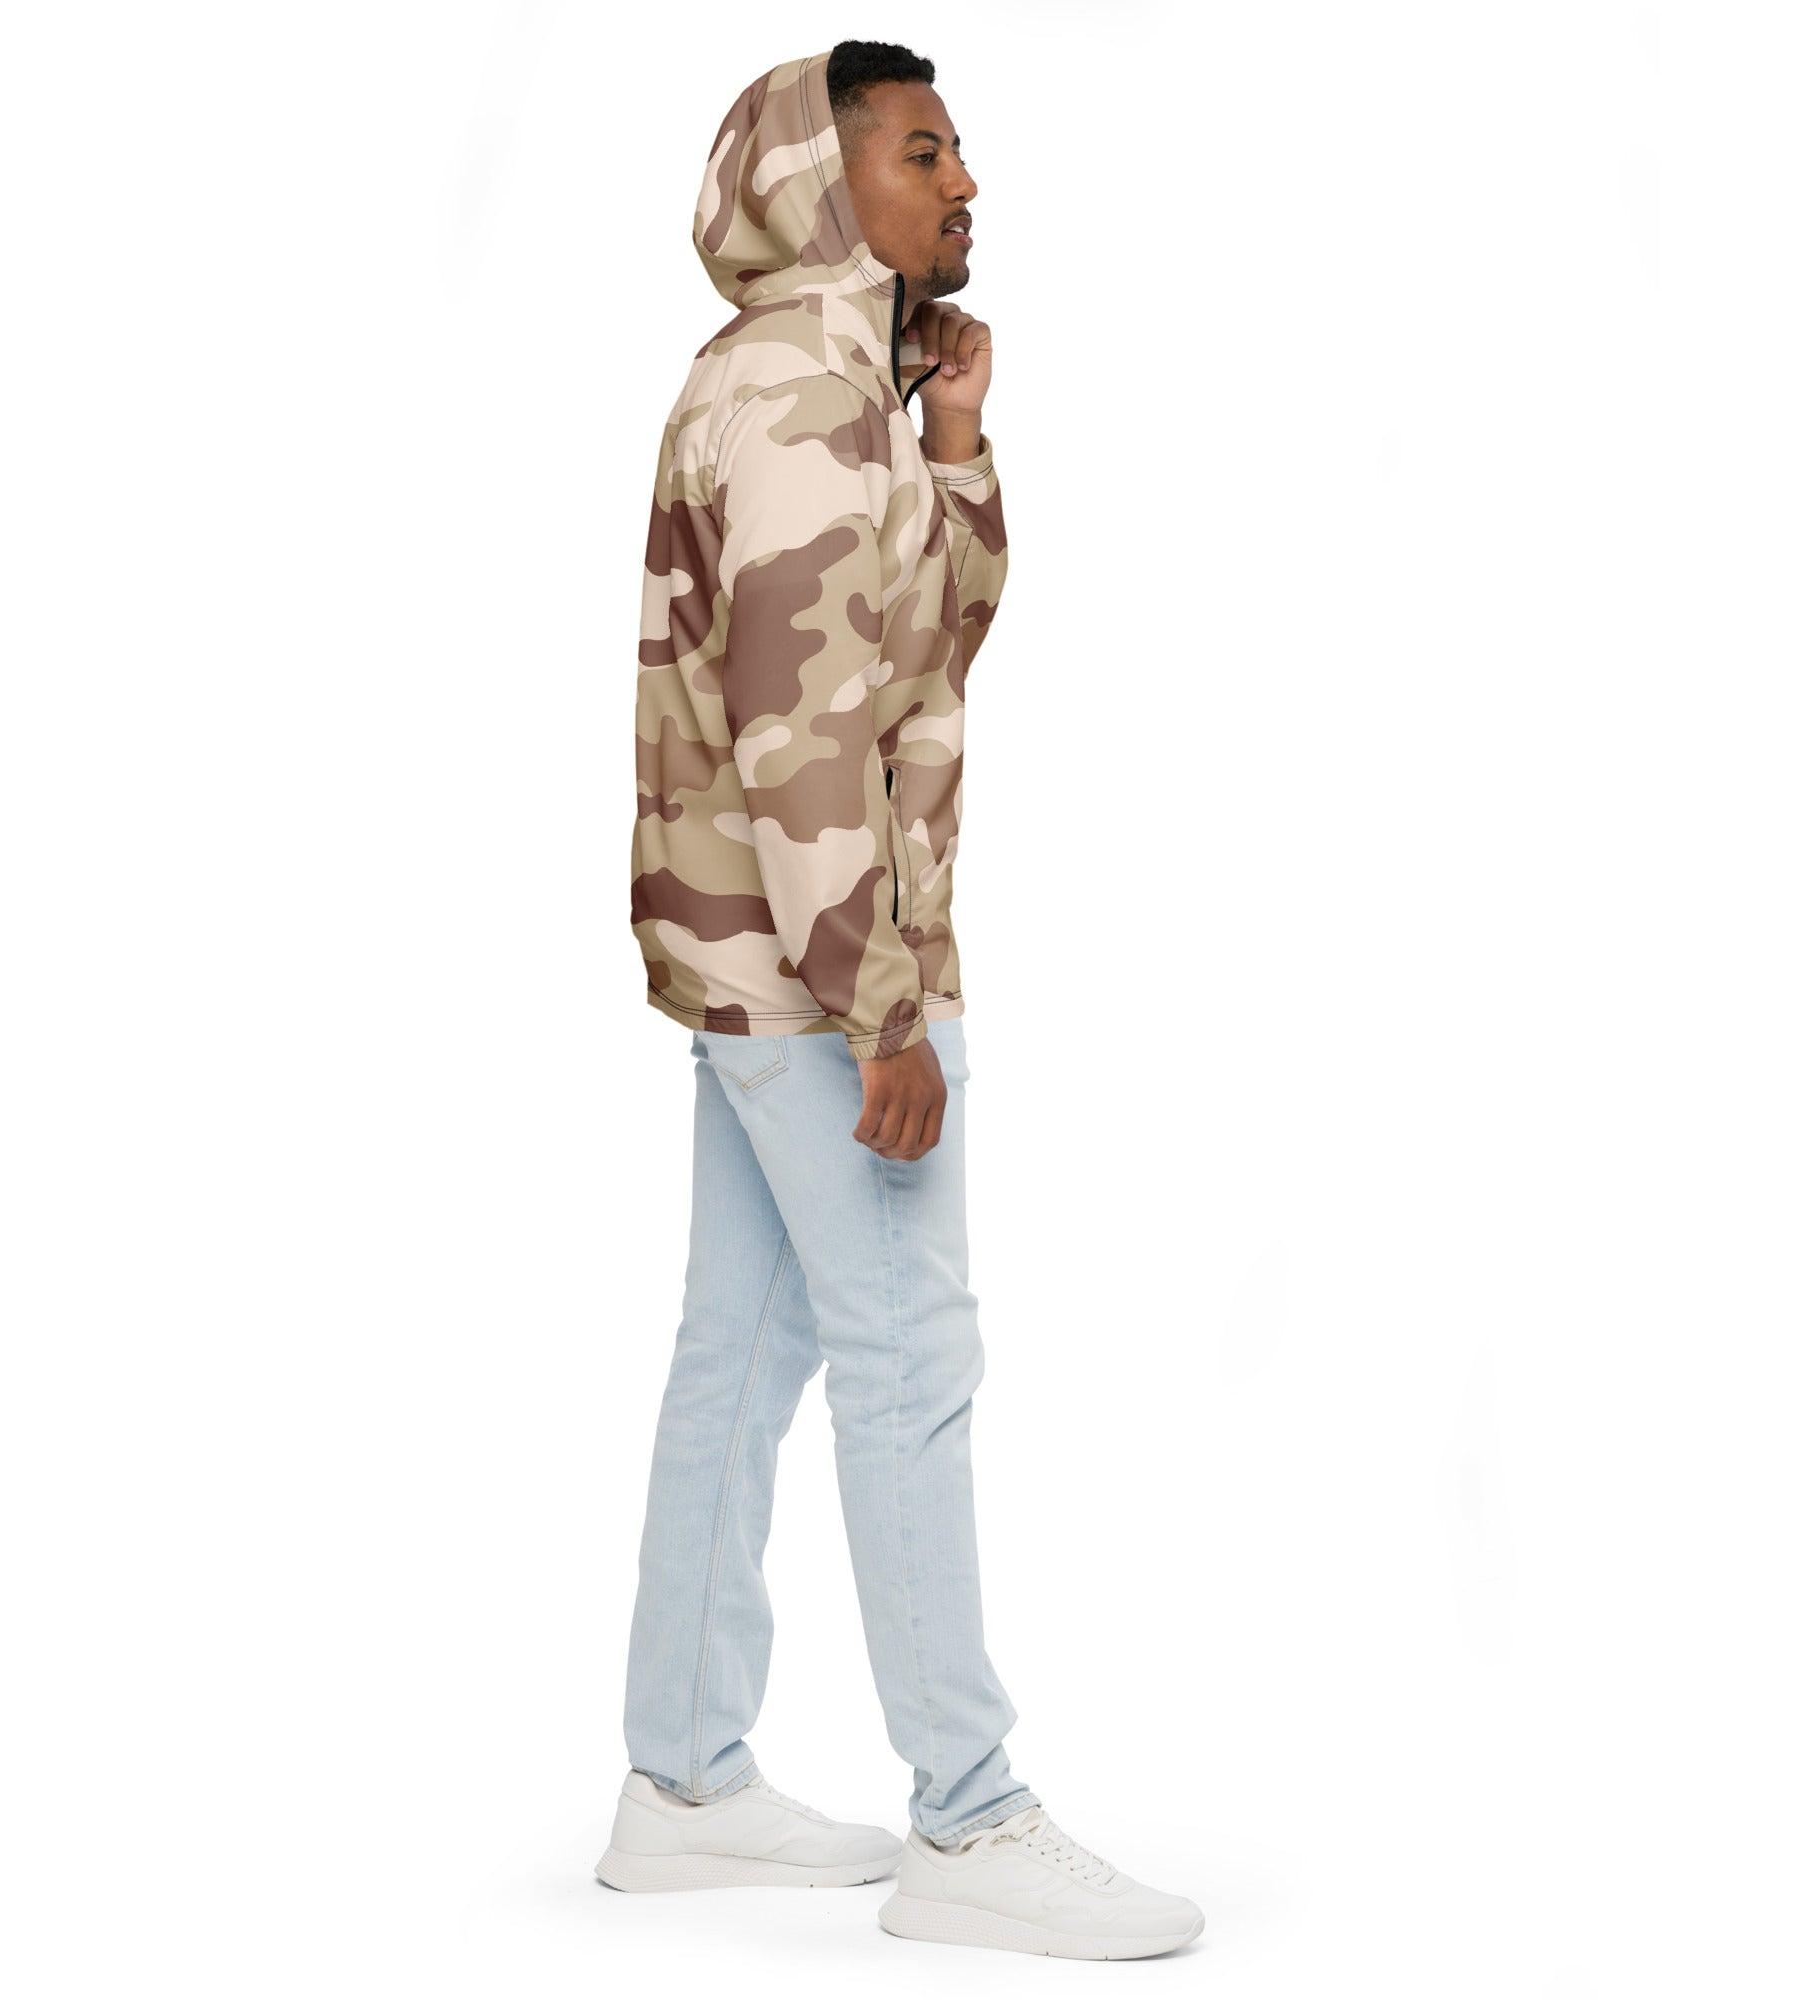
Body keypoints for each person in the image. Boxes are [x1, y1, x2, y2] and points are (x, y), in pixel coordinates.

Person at [604, 42, 1204, 1961]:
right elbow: (800, 732)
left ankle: (681, 1783)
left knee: (745, 1347)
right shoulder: (793, 395)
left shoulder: (827, 384)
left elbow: (925, 640)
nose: (964, 185)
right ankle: (970, 1814)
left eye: (960, 153)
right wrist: (880, 1011)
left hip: (756, 958)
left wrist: (951, 438)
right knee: (907, 1357)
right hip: (819, 972)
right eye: (925, 152)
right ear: (819, 180)